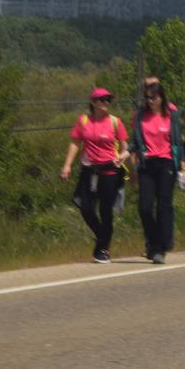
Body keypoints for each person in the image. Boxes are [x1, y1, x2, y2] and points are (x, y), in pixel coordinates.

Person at [61, 88, 130, 264]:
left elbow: (125, 146)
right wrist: (67, 165)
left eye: (108, 100)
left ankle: (102, 250)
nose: (106, 103)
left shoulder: (115, 122)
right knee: (85, 208)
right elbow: (75, 143)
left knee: (105, 210)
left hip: (110, 171)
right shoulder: (84, 121)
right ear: (93, 102)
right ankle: (102, 235)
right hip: (89, 170)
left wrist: (123, 156)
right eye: (102, 100)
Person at [132, 81, 185, 264]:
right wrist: (129, 160)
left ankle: (160, 248)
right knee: (145, 207)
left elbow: (179, 143)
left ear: (161, 97)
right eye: (147, 98)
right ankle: (153, 242)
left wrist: (183, 168)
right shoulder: (140, 116)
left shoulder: (171, 115)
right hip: (147, 164)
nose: (150, 101)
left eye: (153, 97)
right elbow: (135, 141)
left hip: (167, 163)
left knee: (164, 205)